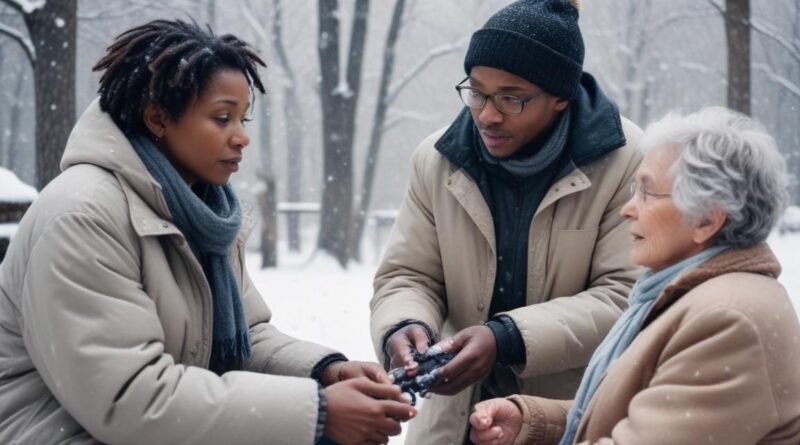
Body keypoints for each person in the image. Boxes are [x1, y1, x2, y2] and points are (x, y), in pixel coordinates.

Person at [0, 19, 414, 445]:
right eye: (222, 118)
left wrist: (324, 371)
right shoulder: (82, 216)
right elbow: (130, 399)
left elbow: (244, 337)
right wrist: (320, 412)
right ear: (158, 119)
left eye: (243, 118)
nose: (242, 138)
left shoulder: (203, 214)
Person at [370, 0, 643, 442]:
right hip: (451, 426)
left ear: (561, 98)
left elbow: (625, 298)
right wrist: (405, 327)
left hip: (566, 421)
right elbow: (409, 274)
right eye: (476, 91)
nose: (486, 114)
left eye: (511, 98)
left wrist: (507, 339)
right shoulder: (436, 160)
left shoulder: (626, 161)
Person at [469, 107, 800, 445]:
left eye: (647, 191)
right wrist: (533, 422)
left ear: (707, 220)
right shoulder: (687, 296)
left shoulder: (729, 320)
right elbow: (644, 414)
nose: (628, 210)